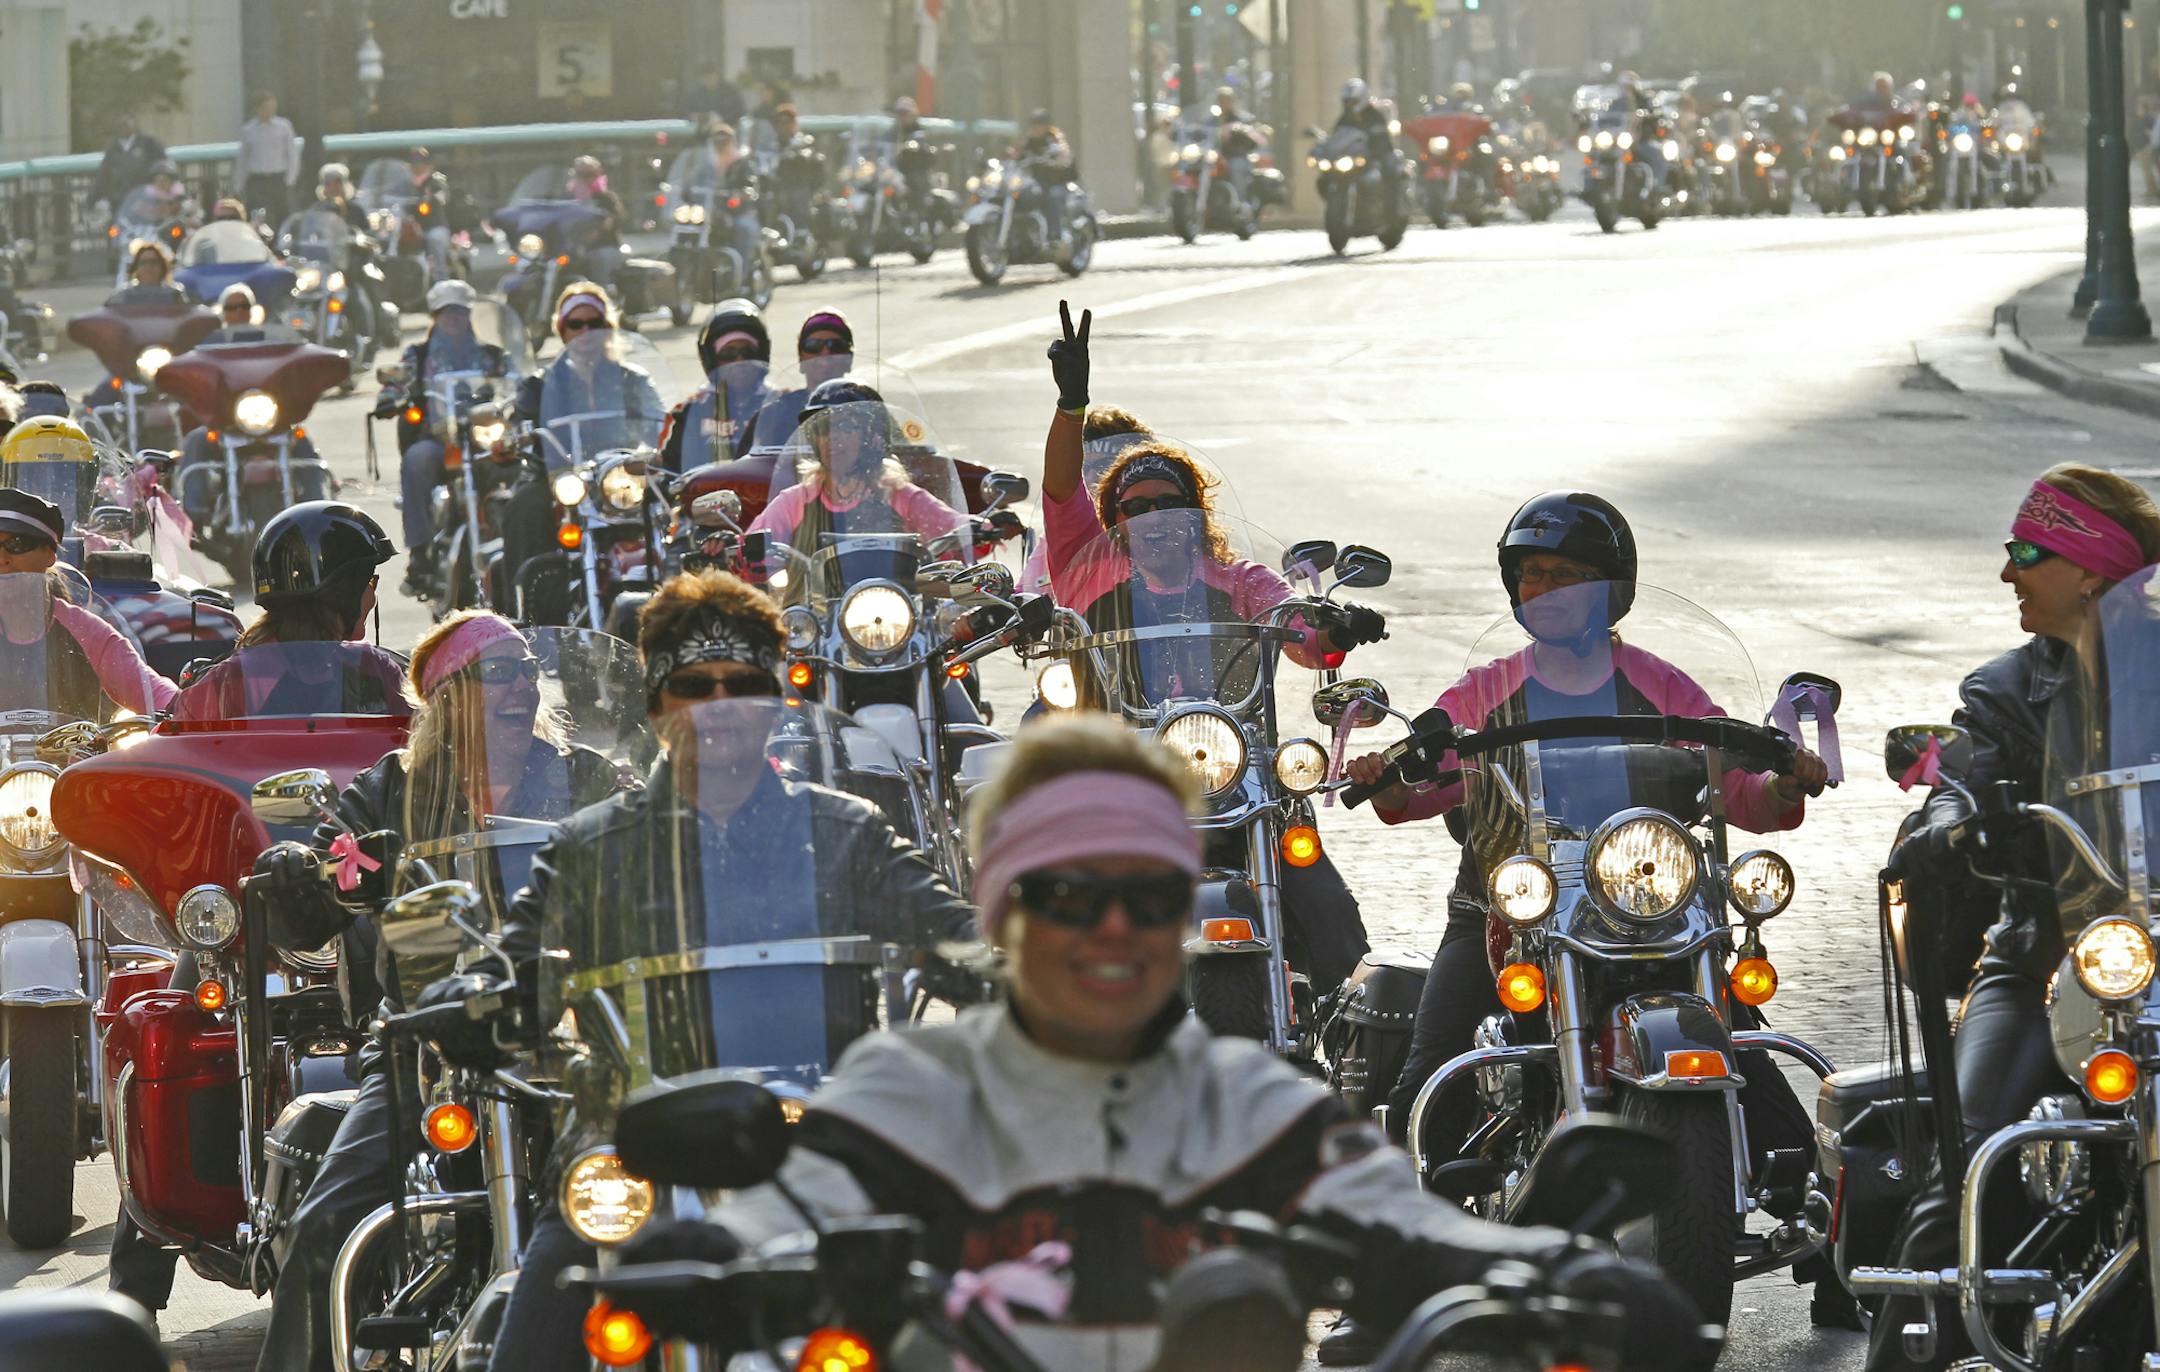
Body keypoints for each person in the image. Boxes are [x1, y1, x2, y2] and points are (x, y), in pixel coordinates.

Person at [606, 712, 1692, 1370]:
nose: (1114, 924)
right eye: (1073, 891)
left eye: (1149, 891)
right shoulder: (917, 1089)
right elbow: (798, 1199)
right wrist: (720, 1249)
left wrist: (1540, 1262)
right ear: (1002, 913)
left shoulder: (1248, 1103)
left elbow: (1392, 1214)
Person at [479, 568, 980, 1372]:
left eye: (742, 684)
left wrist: (998, 963)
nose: (718, 706)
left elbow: (954, 930)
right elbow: (517, 962)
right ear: (655, 705)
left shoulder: (846, 830)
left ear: (777, 700)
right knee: (537, 1334)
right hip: (631, 1139)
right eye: (693, 686)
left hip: (823, 1131)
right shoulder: (587, 846)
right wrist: (478, 991)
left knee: (969, 1304)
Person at [245, 610, 630, 1372]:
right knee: (330, 1223)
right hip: (429, 1037)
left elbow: (653, 832)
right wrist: (296, 870)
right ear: (451, 699)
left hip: (572, 1027)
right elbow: (326, 885)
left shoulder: (584, 774)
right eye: (501, 673)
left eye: (527, 668)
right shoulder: (395, 787)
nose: (523, 684)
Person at [1866, 465, 2160, 1371]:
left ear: (2091, 568)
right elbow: (1964, 768)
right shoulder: (2003, 689)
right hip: (2044, 956)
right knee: (1969, 1154)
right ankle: (1908, 1347)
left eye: (2026, 553)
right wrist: (1951, 820)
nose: (2010, 575)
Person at [1039, 303, 1379, 995]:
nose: (1156, 520)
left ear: (1197, 514)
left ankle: (1342, 1043)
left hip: (1240, 775)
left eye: (1171, 505)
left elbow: (1297, 627)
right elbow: (1058, 489)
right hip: (1122, 778)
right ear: (1115, 524)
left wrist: (1332, 629)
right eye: (1137, 509)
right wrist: (1071, 405)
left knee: (1331, 916)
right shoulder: (1087, 572)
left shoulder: (1239, 581)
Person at [499, 285, 665, 620]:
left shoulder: (633, 379)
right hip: (560, 475)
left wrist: (658, 447)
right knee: (524, 505)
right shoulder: (540, 384)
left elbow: (658, 421)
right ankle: (521, 617)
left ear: (609, 326)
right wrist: (514, 436)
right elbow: (520, 423)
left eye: (595, 322)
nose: (586, 331)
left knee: (675, 506)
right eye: (577, 324)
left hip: (620, 475)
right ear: (562, 330)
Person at [170, 502, 407, 719]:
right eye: (368, 582)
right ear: (343, 592)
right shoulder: (233, 679)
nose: (372, 596)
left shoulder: (374, 668)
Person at [0, 481, 174, 716]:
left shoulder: (84, 630)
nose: (2, 558)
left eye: (16, 544)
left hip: (72, 753)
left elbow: (155, 694)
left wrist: (191, 707)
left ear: (50, 554)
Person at [391, 279, 516, 591]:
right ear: (434, 317)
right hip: (440, 440)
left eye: (459, 312)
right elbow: (398, 381)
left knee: (521, 466)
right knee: (417, 460)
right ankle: (420, 553)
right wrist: (389, 394)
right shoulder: (418, 356)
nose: (453, 319)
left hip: (486, 439)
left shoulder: (491, 355)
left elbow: (517, 381)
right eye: (446, 313)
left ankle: (520, 545)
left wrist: (526, 388)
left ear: (469, 314)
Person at [748, 378, 963, 547]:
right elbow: (749, 547)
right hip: (816, 604)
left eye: (846, 426)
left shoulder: (901, 496)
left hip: (893, 602)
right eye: (823, 428)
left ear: (873, 435)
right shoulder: (796, 501)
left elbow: (958, 530)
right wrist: (725, 544)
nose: (833, 436)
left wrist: (981, 526)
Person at [657, 299, 772, 473]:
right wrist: (647, 463)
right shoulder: (693, 410)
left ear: (762, 354)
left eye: (748, 352)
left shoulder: (780, 405)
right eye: (728, 353)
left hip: (765, 498)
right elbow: (669, 467)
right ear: (711, 359)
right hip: (703, 498)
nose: (739, 361)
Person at [234, 93, 298, 225]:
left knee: (283, 214)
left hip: (278, 178)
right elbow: (243, 160)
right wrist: (238, 185)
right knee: (255, 214)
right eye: (266, 107)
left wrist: (290, 179)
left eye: (272, 107)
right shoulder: (249, 130)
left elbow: (292, 155)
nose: (269, 111)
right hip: (257, 179)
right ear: (258, 109)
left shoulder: (284, 127)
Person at [1019, 108, 1077, 244]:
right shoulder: (1029, 139)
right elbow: (1016, 152)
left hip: (1056, 182)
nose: (1035, 127)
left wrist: (1059, 159)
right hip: (1037, 182)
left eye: (1039, 124)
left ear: (1046, 125)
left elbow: (1064, 153)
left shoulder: (1055, 138)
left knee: (1053, 197)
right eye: (1033, 124)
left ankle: (1054, 235)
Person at [97, 116, 168, 213]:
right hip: (119, 203)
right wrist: (94, 199)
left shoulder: (148, 143)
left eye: (127, 124)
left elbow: (163, 165)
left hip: (145, 200)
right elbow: (103, 175)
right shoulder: (112, 149)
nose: (124, 128)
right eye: (121, 125)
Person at [1333, 77, 1399, 177]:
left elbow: (1381, 136)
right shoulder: (1344, 118)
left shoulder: (1375, 115)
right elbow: (1337, 132)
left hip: (1376, 153)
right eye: (1347, 102)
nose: (1349, 105)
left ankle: (1392, 191)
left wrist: (1374, 133)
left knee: (1390, 168)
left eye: (1353, 101)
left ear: (1362, 98)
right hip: (1354, 156)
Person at [111, 240, 188, 307]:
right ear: (136, 268)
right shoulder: (123, 295)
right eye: (144, 262)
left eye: (153, 262)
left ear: (162, 267)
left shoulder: (174, 294)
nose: (149, 267)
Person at [692, 61, 747, 130]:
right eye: (705, 78)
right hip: (704, 131)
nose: (708, 81)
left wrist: (723, 119)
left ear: (717, 75)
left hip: (728, 130)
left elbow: (740, 111)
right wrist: (696, 116)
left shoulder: (730, 91)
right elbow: (689, 110)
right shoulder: (698, 92)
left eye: (710, 77)